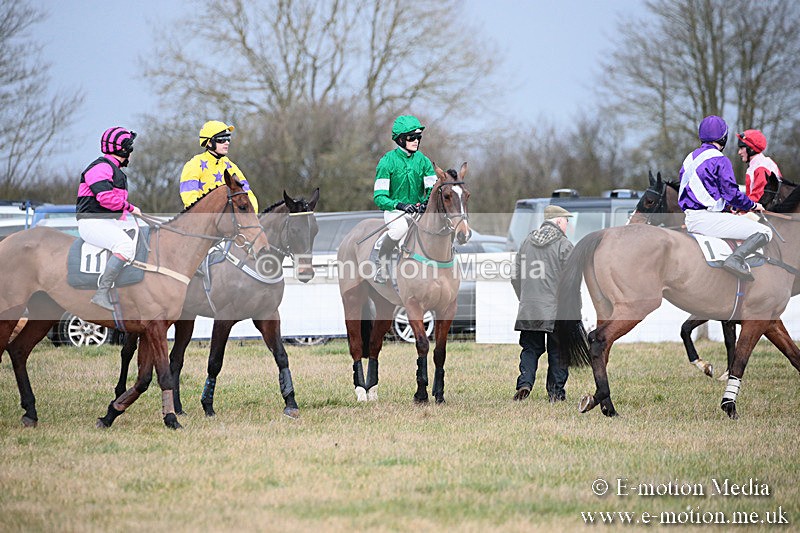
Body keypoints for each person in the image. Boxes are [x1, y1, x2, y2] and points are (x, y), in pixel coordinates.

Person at [678, 115, 771, 281]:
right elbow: (731, 193)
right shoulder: (720, 160)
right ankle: (736, 259)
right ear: (723, 138)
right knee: (765, 231)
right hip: (708, 219)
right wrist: (753, 205)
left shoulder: (689, 158)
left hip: (691, 217)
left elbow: (704, 192)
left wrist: (728, 207)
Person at [511, 205, 574, 402]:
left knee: (530, 348)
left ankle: (525, 383)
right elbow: (572, 280)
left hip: (530, 308)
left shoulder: (526, 242)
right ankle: (555, 393)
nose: (567, 225)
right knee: (559, 350)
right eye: (566, 221)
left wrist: (525, 298)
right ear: (558, 221)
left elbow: (515, 275)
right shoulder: (564, 245)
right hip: (557, 309)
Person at [76, 127, 142, 310]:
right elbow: (105, 198)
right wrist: (131, 208)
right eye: (130, 148)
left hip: (107, 221)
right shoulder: (101, 167)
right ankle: (101, 293)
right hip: (92, 222)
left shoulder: (114, 170)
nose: (131, 153)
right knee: (125, 246)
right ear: (124, 150)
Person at [371, 115, 436, 283]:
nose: (416, 141)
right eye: (411, 138)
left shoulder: (424, 161)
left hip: (418, 212)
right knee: (399, 229)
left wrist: (425, 203)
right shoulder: (387, 162)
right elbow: (379, 197)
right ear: (400, 139)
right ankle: (381, 266)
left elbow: (432, 188)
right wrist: (400, 205)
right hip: (395, 212)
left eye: (418, 137)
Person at [179, 120, 258, 212]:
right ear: (209, 142)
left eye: (228, 138)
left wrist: (251, 214)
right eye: (221, 139)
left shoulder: (231, 167)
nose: (227, 142)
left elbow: (247, 194)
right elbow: (189, 199)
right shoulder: (193, 165)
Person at [736, 129, 782, 202]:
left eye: (741, 148)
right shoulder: (764, 163)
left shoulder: (761, 167)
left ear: (751, 149)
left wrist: (738, 206)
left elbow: (757, 197)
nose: (739, 152)